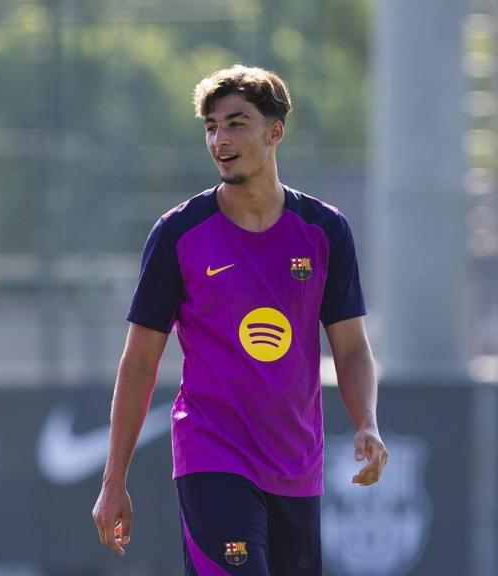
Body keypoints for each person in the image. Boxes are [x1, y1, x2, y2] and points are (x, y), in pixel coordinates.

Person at [91, 65, 389, 575]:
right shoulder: (179, 233)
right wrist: (113, 480)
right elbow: (139, 362)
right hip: (213, 456)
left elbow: (352, 347)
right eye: (211, 127)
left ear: (275, 131)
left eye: (236, 123)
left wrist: (367, 422)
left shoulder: (324, 230)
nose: (219, 140)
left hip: (297, 466)